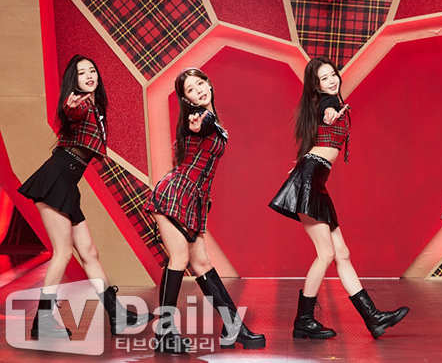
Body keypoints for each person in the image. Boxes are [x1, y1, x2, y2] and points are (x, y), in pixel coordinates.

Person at [269, 56, 409, 340]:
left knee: (341, 254)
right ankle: (303, 320)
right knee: (326, 254)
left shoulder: (325, 101)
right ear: (316, 86)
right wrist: (331, 114)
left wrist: (301, 164)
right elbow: (328, 112)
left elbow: (317, 135)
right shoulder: (328, 103)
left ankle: (372, 317)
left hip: (315, 180)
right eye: (324, 78)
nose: (332, 80)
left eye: (333, 74)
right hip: (310, 180)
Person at [18, 54, 153, 339]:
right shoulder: (79, 104)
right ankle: (43, 320)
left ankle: (116, 315)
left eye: (92, 70)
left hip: (67, 182)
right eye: (82, 73)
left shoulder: (95, 107)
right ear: (74, 80)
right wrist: (71, 105)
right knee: (63, 252)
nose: (90, 76)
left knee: (89, 253)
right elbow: (72, 111)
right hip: (56, 179)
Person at [145, 68, 265, 354]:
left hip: (194, 200)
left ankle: (233, 327)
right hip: (174, 194)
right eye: (191, 89)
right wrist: (200, 122)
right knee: (180, 258)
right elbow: (200, 126)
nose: (199, 90)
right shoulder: (199, 119)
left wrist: (207, 121)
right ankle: (164, 332)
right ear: (186, 100)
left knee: (201, 263)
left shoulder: (212, 119)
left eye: (200, 83)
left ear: (209, 83)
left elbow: (208, 126)